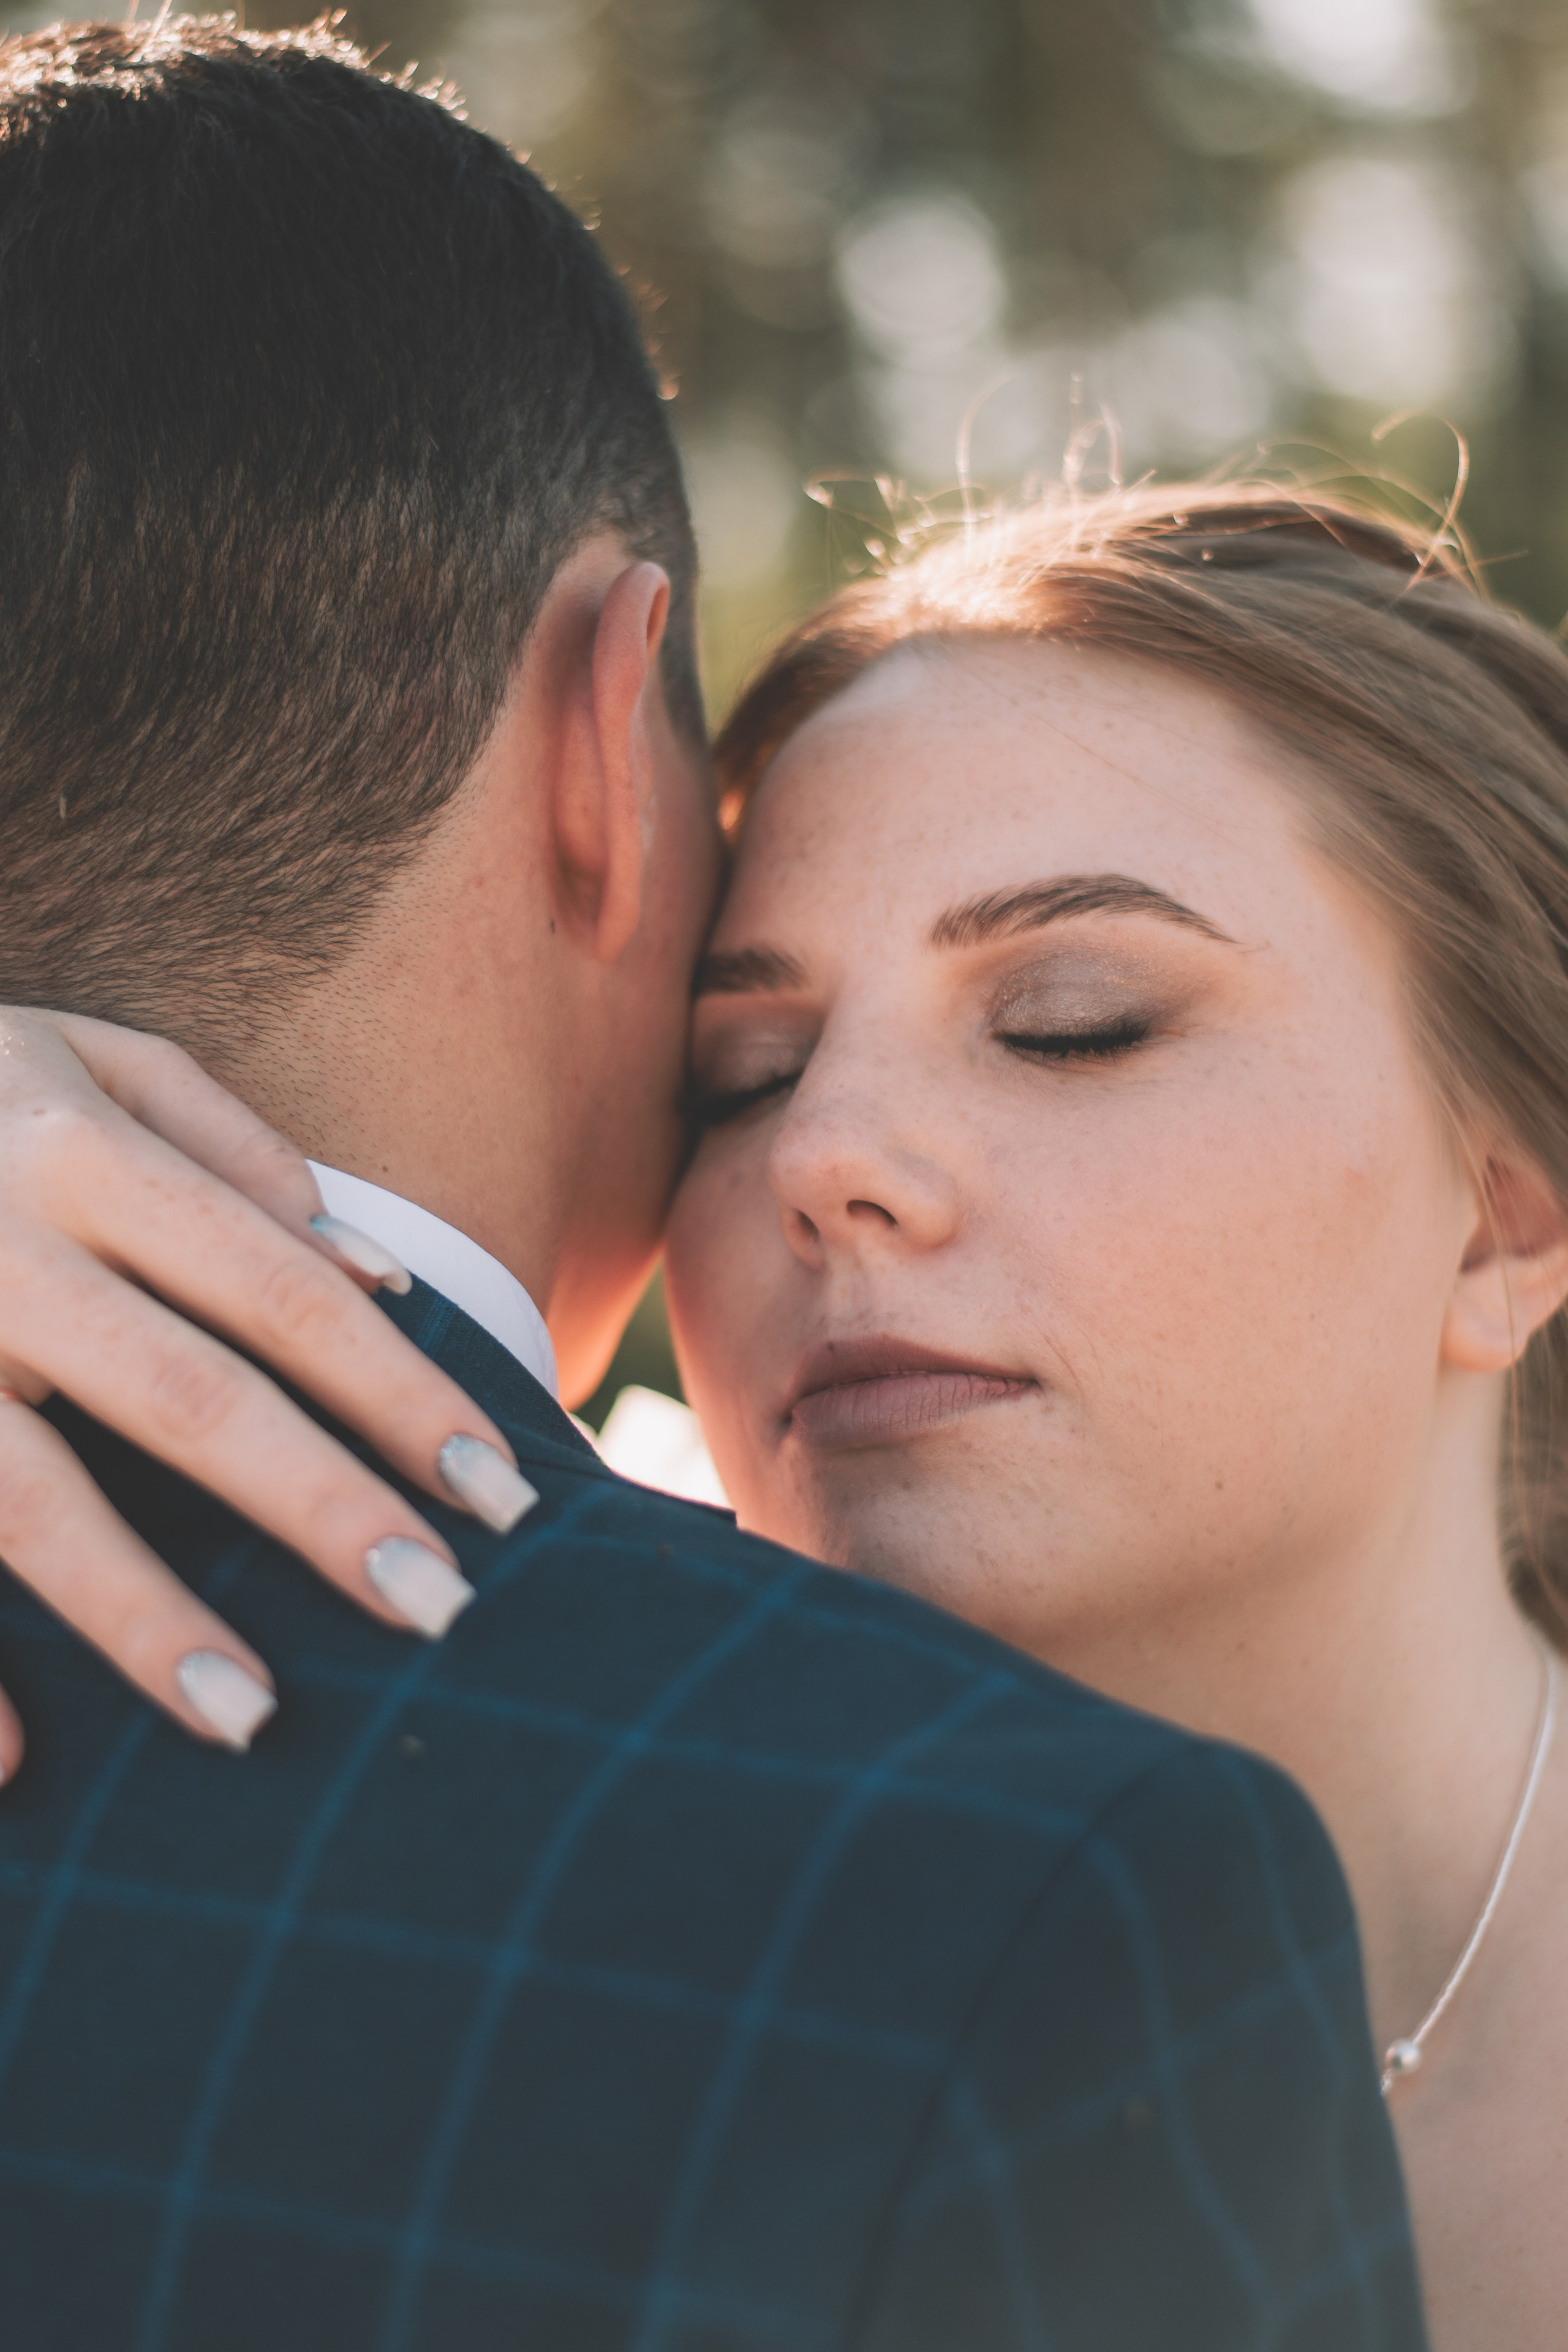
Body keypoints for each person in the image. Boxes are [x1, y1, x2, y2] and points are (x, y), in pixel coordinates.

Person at [0, 20, 1420, 2352]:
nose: (835, 1167)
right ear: (605, 737)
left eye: (1073, 1023)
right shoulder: (1001, 1909)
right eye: (750, 1056)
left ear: (1515, 1201)